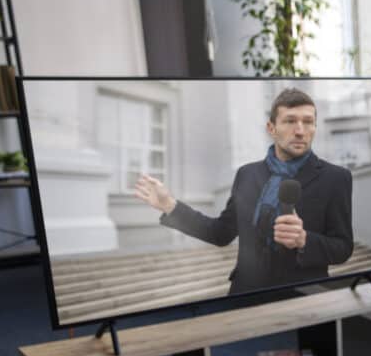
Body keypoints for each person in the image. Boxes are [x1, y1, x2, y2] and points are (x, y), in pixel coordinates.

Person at [134, 87, 354, 295]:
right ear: (271, 128)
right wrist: (169, 205)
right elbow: (220, 233)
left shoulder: (336, 178)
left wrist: (304, 239)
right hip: (246, 296)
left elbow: (342, 248)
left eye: (308, 122)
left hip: (306, 301)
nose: (300, 131)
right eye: (289, 121)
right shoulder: (247, 175)